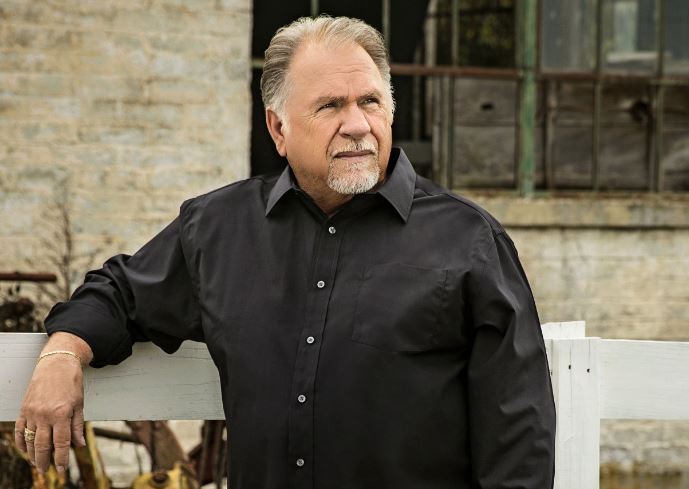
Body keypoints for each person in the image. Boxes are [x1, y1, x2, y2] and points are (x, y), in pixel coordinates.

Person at [15, 16, 555, 489]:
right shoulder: (218, 229)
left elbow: (518, 438)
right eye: (330, 106)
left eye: (370, 102)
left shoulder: (469, 240)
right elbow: (119, 293)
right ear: (278, 127)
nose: (357, 125)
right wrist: (64, 354)